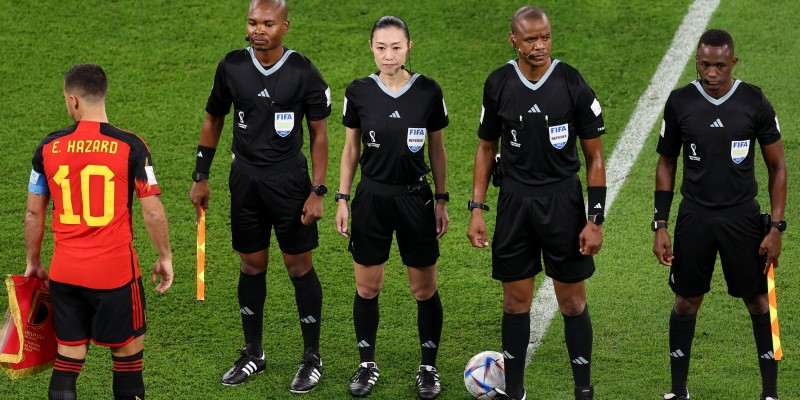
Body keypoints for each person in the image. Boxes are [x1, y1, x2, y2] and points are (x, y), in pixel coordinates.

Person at [188, 0, 331, 393]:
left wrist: (318, 190)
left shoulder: (303, 72)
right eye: (252, 22)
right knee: (251, 265)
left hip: (289, 182)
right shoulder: (231, 66)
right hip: (245, 181)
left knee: (299, 266)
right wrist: (201, 175)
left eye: (268, 23)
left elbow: (319, 135)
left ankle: (311, 358)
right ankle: (253, 352)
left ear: (285, 25)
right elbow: (213, 118)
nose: (258, 30)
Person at [467, 6, 606, 400]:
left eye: (545, 37)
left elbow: (595, 157)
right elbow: (485, 147)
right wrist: (477, 209)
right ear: (514, 39)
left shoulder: (571, 82)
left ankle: (583, 390)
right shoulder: (498, 84)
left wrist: (594, 218)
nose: (540, 45)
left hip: (563, 203)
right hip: (514, 204)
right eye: (530, 39)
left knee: (573, 301)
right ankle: (514, 392)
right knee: (515, 302)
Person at [25, 64, 174, 400]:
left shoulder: (48, 148)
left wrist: (33, 261)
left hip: (65, 273)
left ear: (73, 100)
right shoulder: (132, 147)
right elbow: (152, 208)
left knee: (68, 357)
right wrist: (164, 257)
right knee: (127, 356)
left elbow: (34, 211)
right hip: (115, 275)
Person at [652, 29, 786, 400]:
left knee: (759, 302)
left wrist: (776, 227)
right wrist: (660, 223)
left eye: (720, 66)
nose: (712, 74)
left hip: (743, 219)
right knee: (685, 301)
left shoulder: (754, 101)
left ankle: (770, 393)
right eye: (705, 65)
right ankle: (678, 391)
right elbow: (666, 162)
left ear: (733, 64)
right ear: (697, 61)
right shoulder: (680, 102)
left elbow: (778, 166)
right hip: (694, 218)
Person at [336, 15, 450, 399]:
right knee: (367, 288)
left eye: (396, 47)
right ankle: (366, 364)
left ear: (409, 47)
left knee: (424, 289)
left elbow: (437, 148)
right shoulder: (358, 92)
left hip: (415, 199)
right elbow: (351, 149)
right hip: (371, 199)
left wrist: (442, 199)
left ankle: (429, 368)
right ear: (372, 47)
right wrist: (342, 198)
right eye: (381, 47)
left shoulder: (429, 92)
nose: (388, 54)